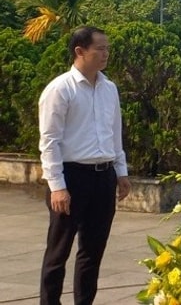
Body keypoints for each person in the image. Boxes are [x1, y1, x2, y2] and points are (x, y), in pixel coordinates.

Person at [38, 26, 131, 305]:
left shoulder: (109, 88)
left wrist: (121, 171)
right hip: (71, 176)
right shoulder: (60, 89)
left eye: (108, 49)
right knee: (58, 251)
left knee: (93, 250)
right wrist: (57, 187)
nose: (106, 54)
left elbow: (115, 132)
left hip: (103, 177)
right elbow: (49, 141)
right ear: (80, 51)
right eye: (100, 49)